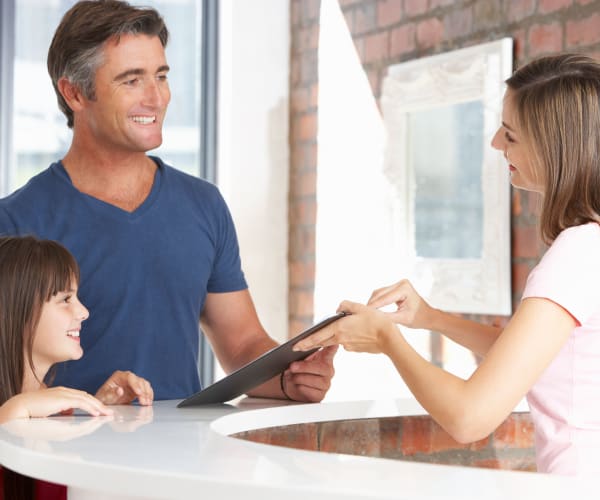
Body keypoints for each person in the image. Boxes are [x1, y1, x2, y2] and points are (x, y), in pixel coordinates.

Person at [0, 0, 335, 403]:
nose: (156, 98)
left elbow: (243, 344)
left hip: (183, 460)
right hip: (60, 461)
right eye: (131, 80)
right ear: (74, 92)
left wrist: (288, 377)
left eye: (161, 76)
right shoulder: (15, 222)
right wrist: (85, 408)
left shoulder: (203, 205)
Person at [294, 53, 600, 476]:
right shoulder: (592, 246)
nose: (495, 143)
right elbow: (533, 355)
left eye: (510, 135)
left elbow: (469, 418)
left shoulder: (575, 254)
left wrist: (387, 339)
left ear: (554, 147)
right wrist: (430, 318)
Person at [0, 235, 154, 500]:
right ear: (17, 310)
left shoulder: (57, 412)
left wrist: (96, 406)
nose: (83, 312)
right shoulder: (19, 411)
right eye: (65, 299)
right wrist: (13, 412)